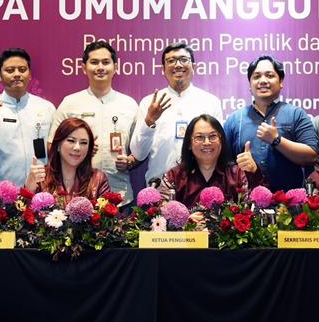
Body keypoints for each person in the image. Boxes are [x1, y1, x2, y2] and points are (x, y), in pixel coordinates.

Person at [53, 40, 139, 203]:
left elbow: (139, 149)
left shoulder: (129, 105)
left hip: (120, 196)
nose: (100, 67)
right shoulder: (70, 103)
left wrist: (130, 162)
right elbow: (52, 145)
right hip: (79, 197)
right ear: (84, 67)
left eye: (106, 62)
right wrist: (80, 152)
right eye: (94, 62)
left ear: (115, 67)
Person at [130, 41, 223, 183]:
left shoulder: (210, 102)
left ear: (194, 67)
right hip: (159, 185)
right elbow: (138, 154)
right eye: (171, 61)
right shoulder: (149, 103)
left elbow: (219, 148)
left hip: (200, 185)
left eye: (183, 60)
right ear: (163, 69)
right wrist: (149, 121)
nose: (178, 65)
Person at [222, 55, 319, 191]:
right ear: (250, 84)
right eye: (256, 76)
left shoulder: (296, 114)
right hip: (246, 201)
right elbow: (223, 163)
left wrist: (277, 140)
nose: (263, 81)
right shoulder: (234, 119)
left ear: (281, 82)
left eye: (269, 75)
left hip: (289, 201)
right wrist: (239, 167)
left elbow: (311, 156)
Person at [0, 47, 56, 187]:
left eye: (22, 70)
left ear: (30, 74)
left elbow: (57, 150)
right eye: (10, 70)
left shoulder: (46, 108)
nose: (17, 74)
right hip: (0, 194)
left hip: (41, 192)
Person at [159, 114, 264, 206]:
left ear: (221, 140)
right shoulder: (173, 177)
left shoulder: (238, 175)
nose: (207, 142)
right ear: (189, 144)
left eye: (212, 136)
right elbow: (162, 215)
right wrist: (187, 220)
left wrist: (254, 173)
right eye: (199, 137)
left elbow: (258, 208)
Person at [27, 117, 112, 199]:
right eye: (71, 141)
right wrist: (30, 189)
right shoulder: (41, 177)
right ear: (58, 145)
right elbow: (25, 207)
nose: (77, 148)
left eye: (83, 143)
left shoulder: (98, 179)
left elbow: (106, 208)